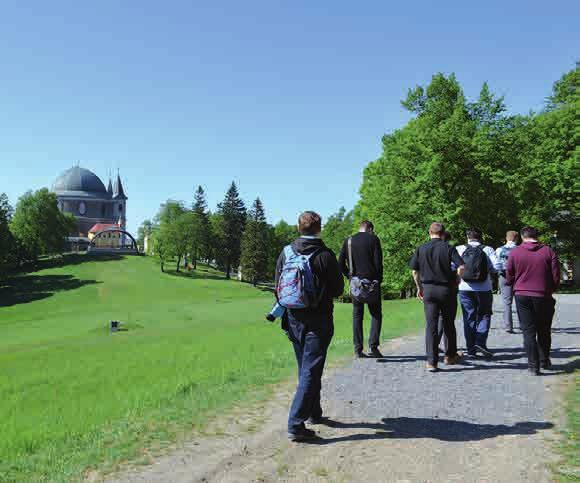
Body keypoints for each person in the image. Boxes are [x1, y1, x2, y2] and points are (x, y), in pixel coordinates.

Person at [275, 211, 344, 441]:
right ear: (319, 228)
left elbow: (278, 286)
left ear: (298, 228)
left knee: (306, 368)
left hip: (292, 319)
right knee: (311, 370)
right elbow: (337, 289)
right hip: (319, 320)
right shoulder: (325, 255)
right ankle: (296, 424)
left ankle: (314, 412)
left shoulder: (286, 253)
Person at [410, 222, 464, 372]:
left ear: (429, 232)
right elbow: (462, 267)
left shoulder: (421, 248)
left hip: (429, 290)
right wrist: (458, 280)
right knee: (448, 323)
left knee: (431, 326)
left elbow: (415, 271)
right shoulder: (448, 247)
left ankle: (431, 362)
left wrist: (419, 287)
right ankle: (450, 355)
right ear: (443, 233)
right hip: (446, 289)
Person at [506, 226, 559, 375]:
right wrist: (551, 288)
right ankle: (544, 360)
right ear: (537, 236)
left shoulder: (515, 252)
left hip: (522, 294)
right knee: (544, 330)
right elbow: (555, 275)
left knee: (528, 331)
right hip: (543, 294)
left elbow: (509, 274)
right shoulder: (548, 251)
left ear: (523, 237)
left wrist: (514, 284)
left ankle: (533, 366)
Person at [338, 220, 384, 358]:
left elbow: (340, 263)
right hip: (372, 284)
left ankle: (358, 349)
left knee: (357, 315)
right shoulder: (374, 240)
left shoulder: (349, 241)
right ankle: (373, 347)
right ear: (370, 229)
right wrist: (378, 279)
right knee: (376, 314)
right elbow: (378, 263)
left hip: (355, 284)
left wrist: (349, 276)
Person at [456, 228, 499, 359]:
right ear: (481, 237)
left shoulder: (459, 249)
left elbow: (453, 266)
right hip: (484, 288)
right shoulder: (488, 249)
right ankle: (480, 342)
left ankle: (470, 348)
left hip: (464, 287)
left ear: (467, 237)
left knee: (468, 316)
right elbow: (496, 266)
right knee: (484, 315)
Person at [437, 231, 458, 353]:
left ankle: (434, 344)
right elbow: (457, 266)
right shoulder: (449, 250)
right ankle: (449, 350)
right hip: (448, 287)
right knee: (448, 320)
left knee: (439, 318)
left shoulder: (428, 249)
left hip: (432, 288)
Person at [495, 230, 520, 333]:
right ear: (517, 238)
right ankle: (524, 324)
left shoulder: (499, 250)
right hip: (518, 278)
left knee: (507, 303)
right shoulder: (520, 249)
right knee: (520, 302)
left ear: (506, 238)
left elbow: (496, 265)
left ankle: (508, 326)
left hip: (504, 277)